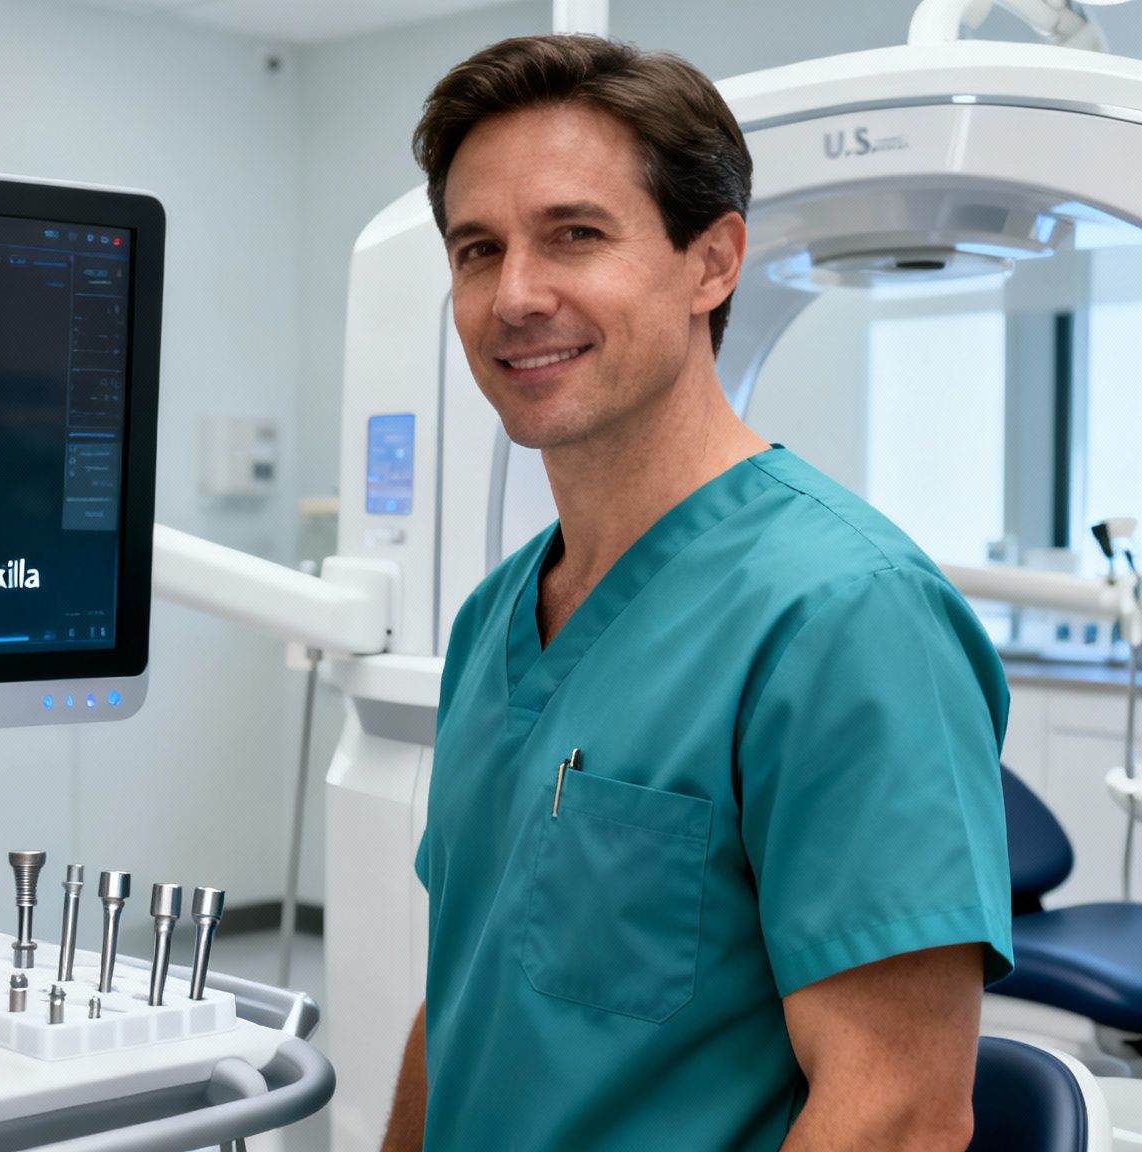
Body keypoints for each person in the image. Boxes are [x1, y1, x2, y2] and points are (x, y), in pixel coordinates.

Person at [379, 34, 1013, 1151]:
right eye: (476, 250)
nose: (514, 295)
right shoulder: (493, 619)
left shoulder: (844, 616)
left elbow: (899, 1116)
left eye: (572, 235)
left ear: (711, 262)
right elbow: (466, 995)